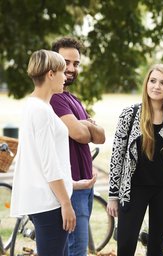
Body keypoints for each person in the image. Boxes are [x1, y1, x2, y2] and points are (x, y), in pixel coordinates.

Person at [106, 63, 163, 256]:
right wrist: (113, 196)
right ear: (146, 84)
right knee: (126, 244)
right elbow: (117, 155)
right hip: (134, 188)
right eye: (153, 81)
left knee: (157, 247)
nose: (156, 86)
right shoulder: (130, 114)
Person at [10, 49, 76, 255]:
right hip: (50, 205)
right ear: (50, 74)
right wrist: (66, 203)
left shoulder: (36, 106)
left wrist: (73, 183)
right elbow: (49, 164)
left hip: (49, 200)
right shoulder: (41, 111)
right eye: (62, 72)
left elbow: (40, 160)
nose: (66, 77)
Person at [50, 37, 106, 256]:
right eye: (67, 63)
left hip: (85, 186)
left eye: (76, 63)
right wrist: (86, 126)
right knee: (77, 250)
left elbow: (100, 136)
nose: (72, 69)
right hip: (70, 187)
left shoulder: (73, 99)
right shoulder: (55, 99)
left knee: (72, 249)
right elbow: (81, 134)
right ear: (53, 63)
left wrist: (85, 125)